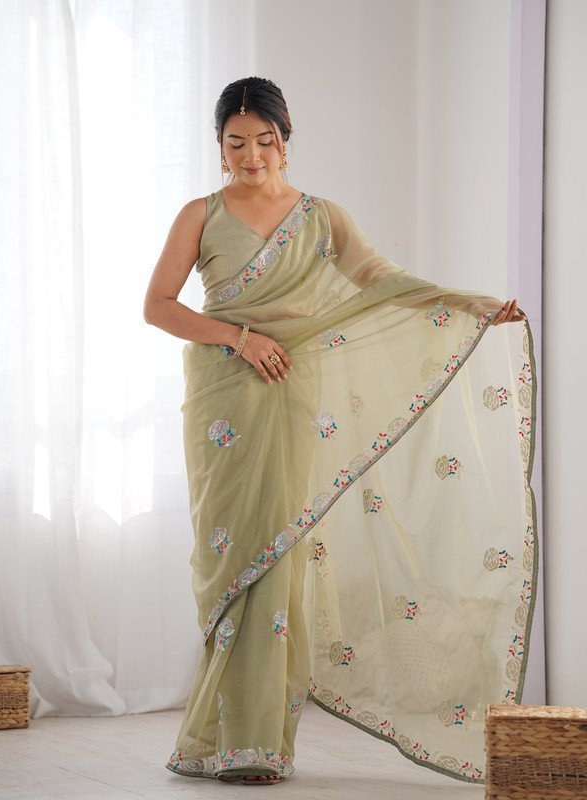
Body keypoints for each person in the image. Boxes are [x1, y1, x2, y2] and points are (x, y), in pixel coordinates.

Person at [144, 77, 536, 786]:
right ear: (219, 146)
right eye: (237, 143)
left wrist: (468, 303)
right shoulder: (200, 215)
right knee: (229, 559)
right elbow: (158, 306)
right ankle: (216, 739)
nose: (252, 156)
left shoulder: (321, 218)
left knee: (278, 554)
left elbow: (383, 281)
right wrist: (239, 338)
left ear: (286, 141)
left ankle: (259, 744)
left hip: (291, 392)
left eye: (265, 141)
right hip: (225, 401)